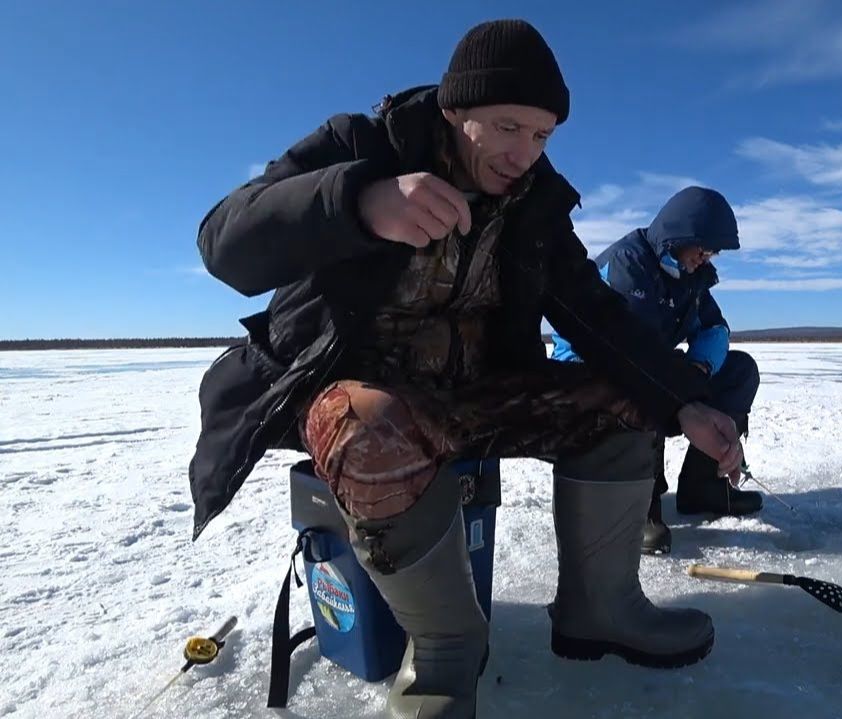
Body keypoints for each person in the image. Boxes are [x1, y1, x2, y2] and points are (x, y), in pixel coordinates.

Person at [186, 20, 743, 718]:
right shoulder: (365, 146)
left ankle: (601, 608)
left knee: (625, 398)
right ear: (455, 110)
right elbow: (223, 240)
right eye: (507, 126)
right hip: (355, 396)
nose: (523, 152)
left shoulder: (534, 202)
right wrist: (360, 201)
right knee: (372, 424)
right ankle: (446, 653)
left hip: (474, 392)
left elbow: (597, 315)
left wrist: (683, 400)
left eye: (541, 135)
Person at [550, 186, 761, 555]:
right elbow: (631, 356)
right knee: (640, 389)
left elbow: (715, 328)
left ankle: (704, 487)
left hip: (651, 364)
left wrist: (698, 368)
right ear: (682, 234)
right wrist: (682, 389)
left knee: (738, 370)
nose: (707, 257)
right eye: (704, 247)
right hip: (591, 369)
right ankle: (640, 505)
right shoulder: (630, 264)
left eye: (713, 251)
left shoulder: (692, 276)